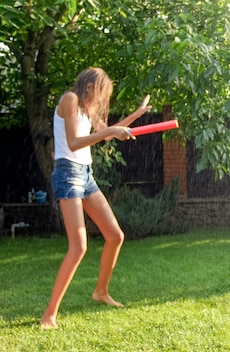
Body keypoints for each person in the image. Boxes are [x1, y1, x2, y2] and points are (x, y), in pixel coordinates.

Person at [40, 67, 152, 329]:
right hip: (67, 172)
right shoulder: (69, 100)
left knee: (115, 235)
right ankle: (50, 314)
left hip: (85, 174)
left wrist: (137, 114)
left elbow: (110, 130)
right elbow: (75, 142)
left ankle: (100, 291)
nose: (102, 99)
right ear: (89, 86)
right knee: (79, 246)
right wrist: (110, 131)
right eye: (101, 93)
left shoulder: (88, 110)